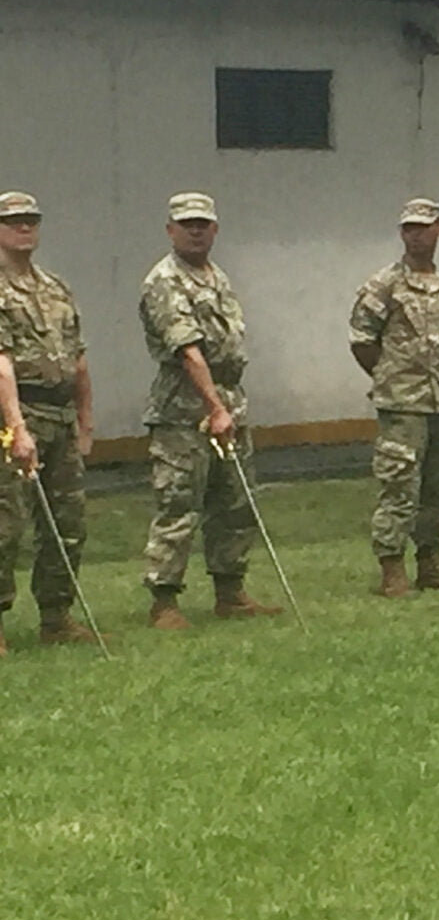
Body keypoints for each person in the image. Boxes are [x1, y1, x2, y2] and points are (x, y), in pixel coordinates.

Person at [137, 192, 283, 628]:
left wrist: (228, 408)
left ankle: (230, 590)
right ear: (170, 230)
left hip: (228, 401)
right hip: (184, 411)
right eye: (186, 224)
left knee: (234, 501)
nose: (195, 230)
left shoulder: (216, 277)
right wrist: (215, 408)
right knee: (179, 503)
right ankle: (164, 601)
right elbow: (188, 351)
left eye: (203, 223)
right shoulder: (164, 281)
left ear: (215, 229)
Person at [349, 198, 439, 596]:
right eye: (409, 229)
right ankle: (392, 567)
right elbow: (362, 341)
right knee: (398, 487)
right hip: (402, 404)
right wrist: (391, 378)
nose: (416, 235)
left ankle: (431, 563)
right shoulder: (385, 284)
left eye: (424, 227)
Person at [0, 190, 95, 651]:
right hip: (18, 413)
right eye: (14, 220)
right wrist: (17, 428)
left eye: (31, 220)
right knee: (6, 523)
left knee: (68, 520)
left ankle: (57, 615)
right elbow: (0, 363)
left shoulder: (55, 287)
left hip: (59, 414)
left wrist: (85, 420)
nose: (25, 227)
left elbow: (78, 359)